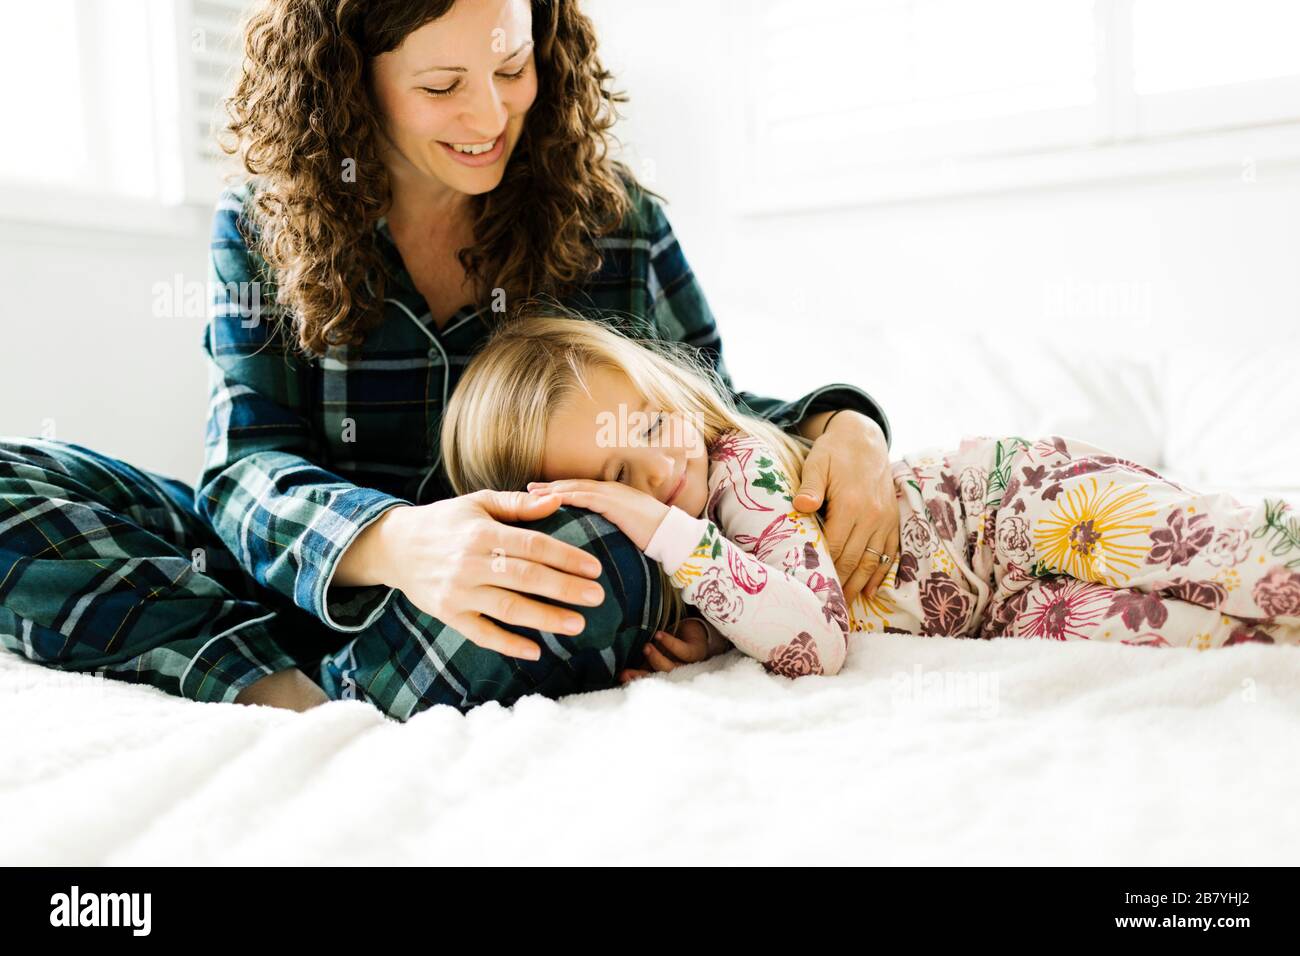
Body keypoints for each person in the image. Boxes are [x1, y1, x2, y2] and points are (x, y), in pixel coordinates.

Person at [0, 0, 898, 718]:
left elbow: (708, 419)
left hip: (516, 582)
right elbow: (243, 473)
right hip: (317, 572)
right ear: (352, 80)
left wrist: (844, 425)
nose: (491, 113)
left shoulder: (613, 221)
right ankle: (298, 689)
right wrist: (396, 541)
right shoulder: (264, 225)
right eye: (442, 86)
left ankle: (318, 688)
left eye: (513, 68)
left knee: (593, 559)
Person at [439, 313, 1300, 677]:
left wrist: (662, 530)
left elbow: (817, 640)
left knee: (1224, 551)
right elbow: (774, 608)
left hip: (1020, 507)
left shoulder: (742, 468)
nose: (659, 468)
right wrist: (714, 640)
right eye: (619, 479)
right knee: (1218, 634)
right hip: (994, 611)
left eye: (651, 424)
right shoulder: (690, 541)